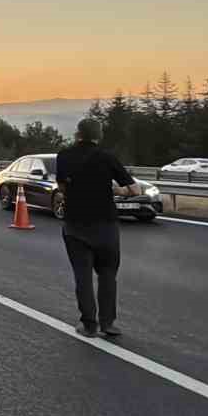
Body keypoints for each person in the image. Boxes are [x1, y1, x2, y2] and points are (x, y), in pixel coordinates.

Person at [55, 118, 143, 338]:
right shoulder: (107, 157)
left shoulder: (64, 156)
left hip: (75, 225)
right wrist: (116, 191)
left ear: (78, 134)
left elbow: (62, 186)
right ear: (99, 135)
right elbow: (134, 190)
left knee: (82, 276)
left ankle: (89, 325)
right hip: (106, 226)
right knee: (107, 275)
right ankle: (108, 323)